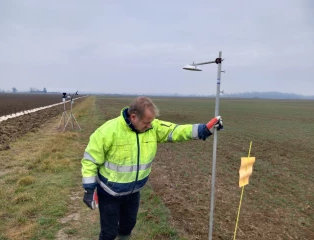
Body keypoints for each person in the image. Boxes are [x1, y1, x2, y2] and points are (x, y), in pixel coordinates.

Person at [81, 96, 223, 240]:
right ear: (133, 117)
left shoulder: (152, 127)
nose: (150, 125)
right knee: (109, 232)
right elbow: (90, 160)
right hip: (109, 193)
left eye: (151, 122)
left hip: (133, 193)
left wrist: (204, 129)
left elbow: (176, 131)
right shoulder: (108, 131)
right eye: (146, 122)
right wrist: (89, 188)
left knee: (127, 227)